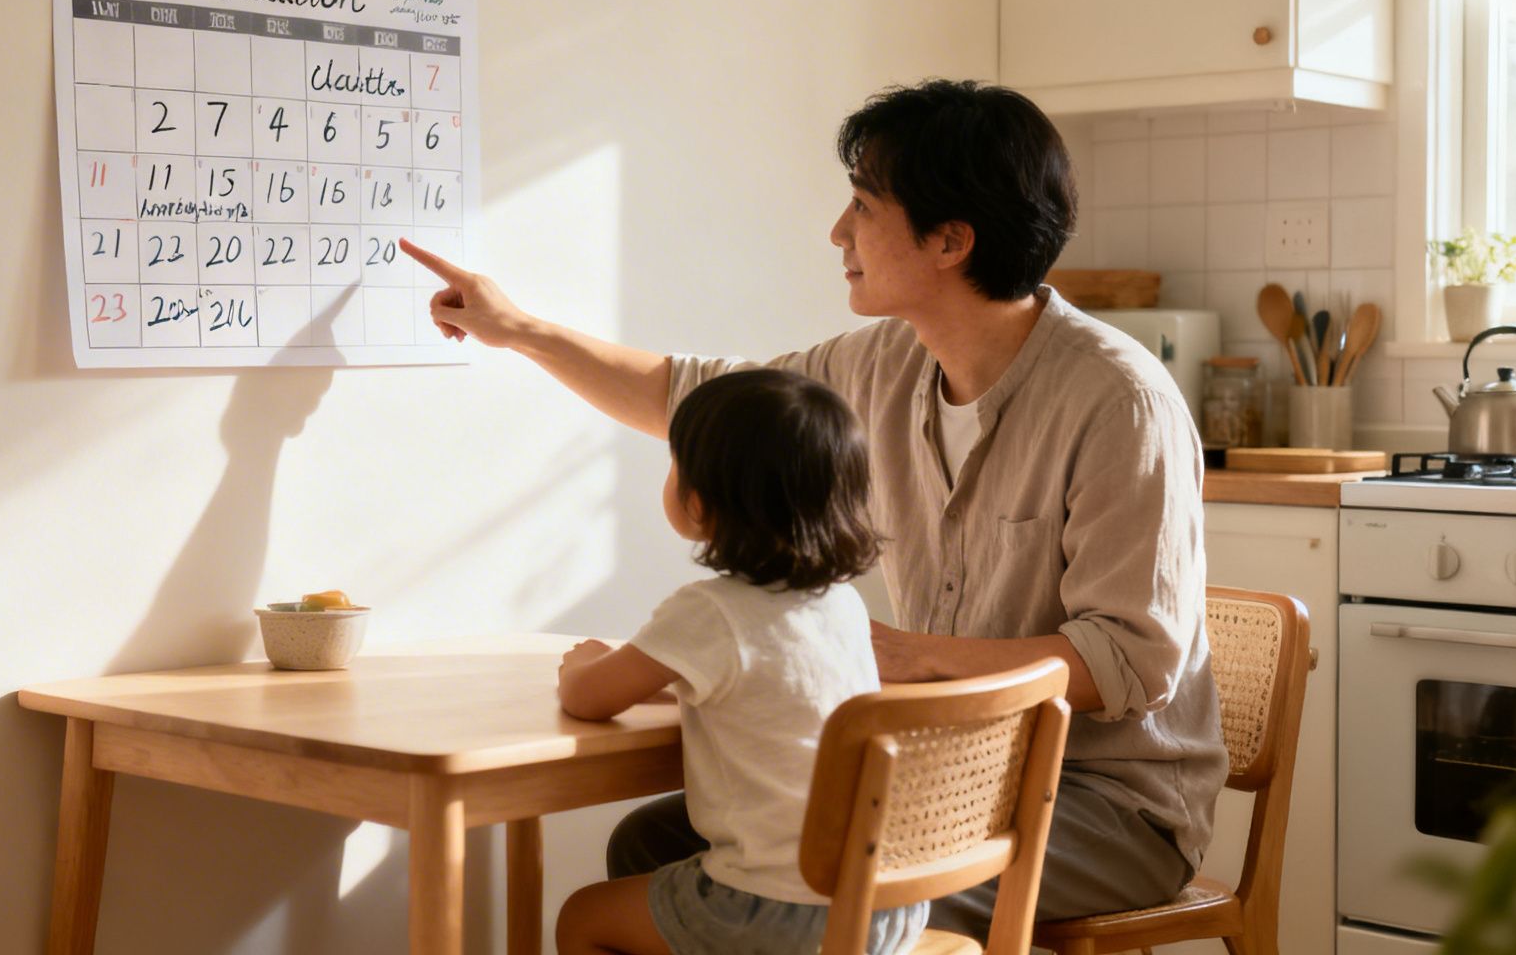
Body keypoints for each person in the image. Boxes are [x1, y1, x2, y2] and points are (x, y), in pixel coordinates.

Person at [398, 77, 1226, 937]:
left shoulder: (1119, 400)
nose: (839, 232)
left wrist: (908, 660)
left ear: (950, 240)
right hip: (942, 769)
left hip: (1104, 808)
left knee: (797, 893)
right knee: (656, 837)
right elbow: (700, 401)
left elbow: (1130, 662)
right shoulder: (883, 364)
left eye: (863, 206)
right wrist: (520, 328)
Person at [553, 368, 924, 955]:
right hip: (887, 905)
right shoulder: (841, 604)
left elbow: (586, 698)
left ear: (699, 498)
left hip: (784, 913)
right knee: (644, 850)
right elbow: (757, 683)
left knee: (583, 917)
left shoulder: (709, 611)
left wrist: (581, 661)